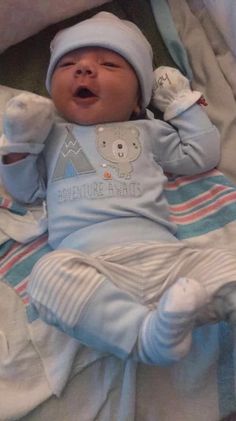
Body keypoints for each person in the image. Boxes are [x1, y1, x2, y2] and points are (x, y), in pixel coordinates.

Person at [0, 11, 235, 367]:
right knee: (46, 280)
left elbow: (200, 155)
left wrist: (179, 102)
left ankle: (178, 318)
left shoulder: (148, 131)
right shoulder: (50, 138)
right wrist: (21, 141)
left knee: (226, 268)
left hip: (167, 260)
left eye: (109, 64)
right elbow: (26, 190)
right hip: (89, 267)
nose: (85, 70)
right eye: (69, 64)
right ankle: (144, 337)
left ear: (138, 100)